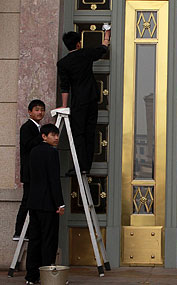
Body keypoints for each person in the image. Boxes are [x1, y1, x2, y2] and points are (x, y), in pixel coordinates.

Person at [57, 29, 110, 174]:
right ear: (78, 44)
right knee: (89, 132)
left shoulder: (63, 63)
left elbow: (65, 86)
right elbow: (102, 49)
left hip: (78, 101)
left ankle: (80, 166)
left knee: (78, 134)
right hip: (92, 98)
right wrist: (106, 36)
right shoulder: (85, 54)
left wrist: (64, 105)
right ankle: (86, 166)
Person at [25, 124, 65, 285]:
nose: (56, 138)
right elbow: (54, 180)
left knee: (34, 240)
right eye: (52, 135)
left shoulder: (33, 151)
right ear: (44, 136)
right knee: (49, 241)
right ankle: (47, 276)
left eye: (57, 135)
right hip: (48, 204)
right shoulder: (52, 153)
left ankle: (31, 276)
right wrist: (60, 204)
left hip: (34, 203)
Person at [13, 99, 45, 241]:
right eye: (37, 110)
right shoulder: (27, 127)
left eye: (42, 110)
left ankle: (29, 230)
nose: (40, 112)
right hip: (30, 172)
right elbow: (28, 145)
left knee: (33, 201)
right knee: (27, 201)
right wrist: (42, 137)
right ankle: (19, 231)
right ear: (30, 112)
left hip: (35, 172)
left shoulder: (37, 127)